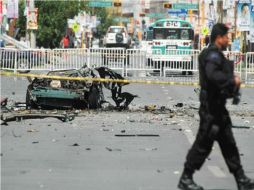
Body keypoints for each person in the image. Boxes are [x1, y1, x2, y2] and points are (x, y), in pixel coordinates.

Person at [178, 23, 254, 190]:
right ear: (219, 38)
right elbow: (213, 75)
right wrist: (231, 81)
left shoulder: (214, 54)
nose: (228, 40)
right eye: (227, 37)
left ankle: (241, 179)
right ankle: (185, 177)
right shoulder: (212, 55)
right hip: (211, 109)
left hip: (218, 109)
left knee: (229, 144)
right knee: (203, 145)